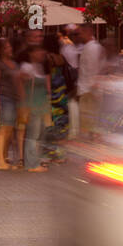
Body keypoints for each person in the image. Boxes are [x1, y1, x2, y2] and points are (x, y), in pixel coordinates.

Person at [19, 44, 51, 171]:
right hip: (33, 105)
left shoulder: (39, 66)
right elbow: (20, 83)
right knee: (33, 134)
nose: (42, 53)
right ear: (31, 53)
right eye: (39, 51)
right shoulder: (26, 67)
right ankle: (31, 164)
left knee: (40, 134)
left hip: (42, 105)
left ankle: (35, 161)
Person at [0, 38, 20, 170]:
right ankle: (0, 161)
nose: (10, 49)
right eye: (7, 47)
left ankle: (1, 159)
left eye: (10, 47)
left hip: (13, 99)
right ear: (1, 50)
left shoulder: (13, 63)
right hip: (4, 98)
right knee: (3, 130)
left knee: (9, 131)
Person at [42, 32, 71, 161]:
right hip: (63, 93)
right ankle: (61, 153)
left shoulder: (47, 59)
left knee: (51, 124)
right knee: (62, 123)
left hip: (53, 95)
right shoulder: (61, 57)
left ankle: (51, 152)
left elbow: (47, 77)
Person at [76, 25, 106, 137]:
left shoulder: (92, 48)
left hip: (89, 91)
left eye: (80, 33)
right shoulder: (92, 47)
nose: (78, 36)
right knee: (90, 123)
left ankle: (91, 144)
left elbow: (93, 69)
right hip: (89, 90)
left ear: (87, 32)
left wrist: (92, 89)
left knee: (89, 124)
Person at [59, 27, 80, 136]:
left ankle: (72, 130)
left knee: (72, 104)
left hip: (69, 79)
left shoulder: (66, 48)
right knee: (73, 104)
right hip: (72, 79)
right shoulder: (71, 47)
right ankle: (73, 130)